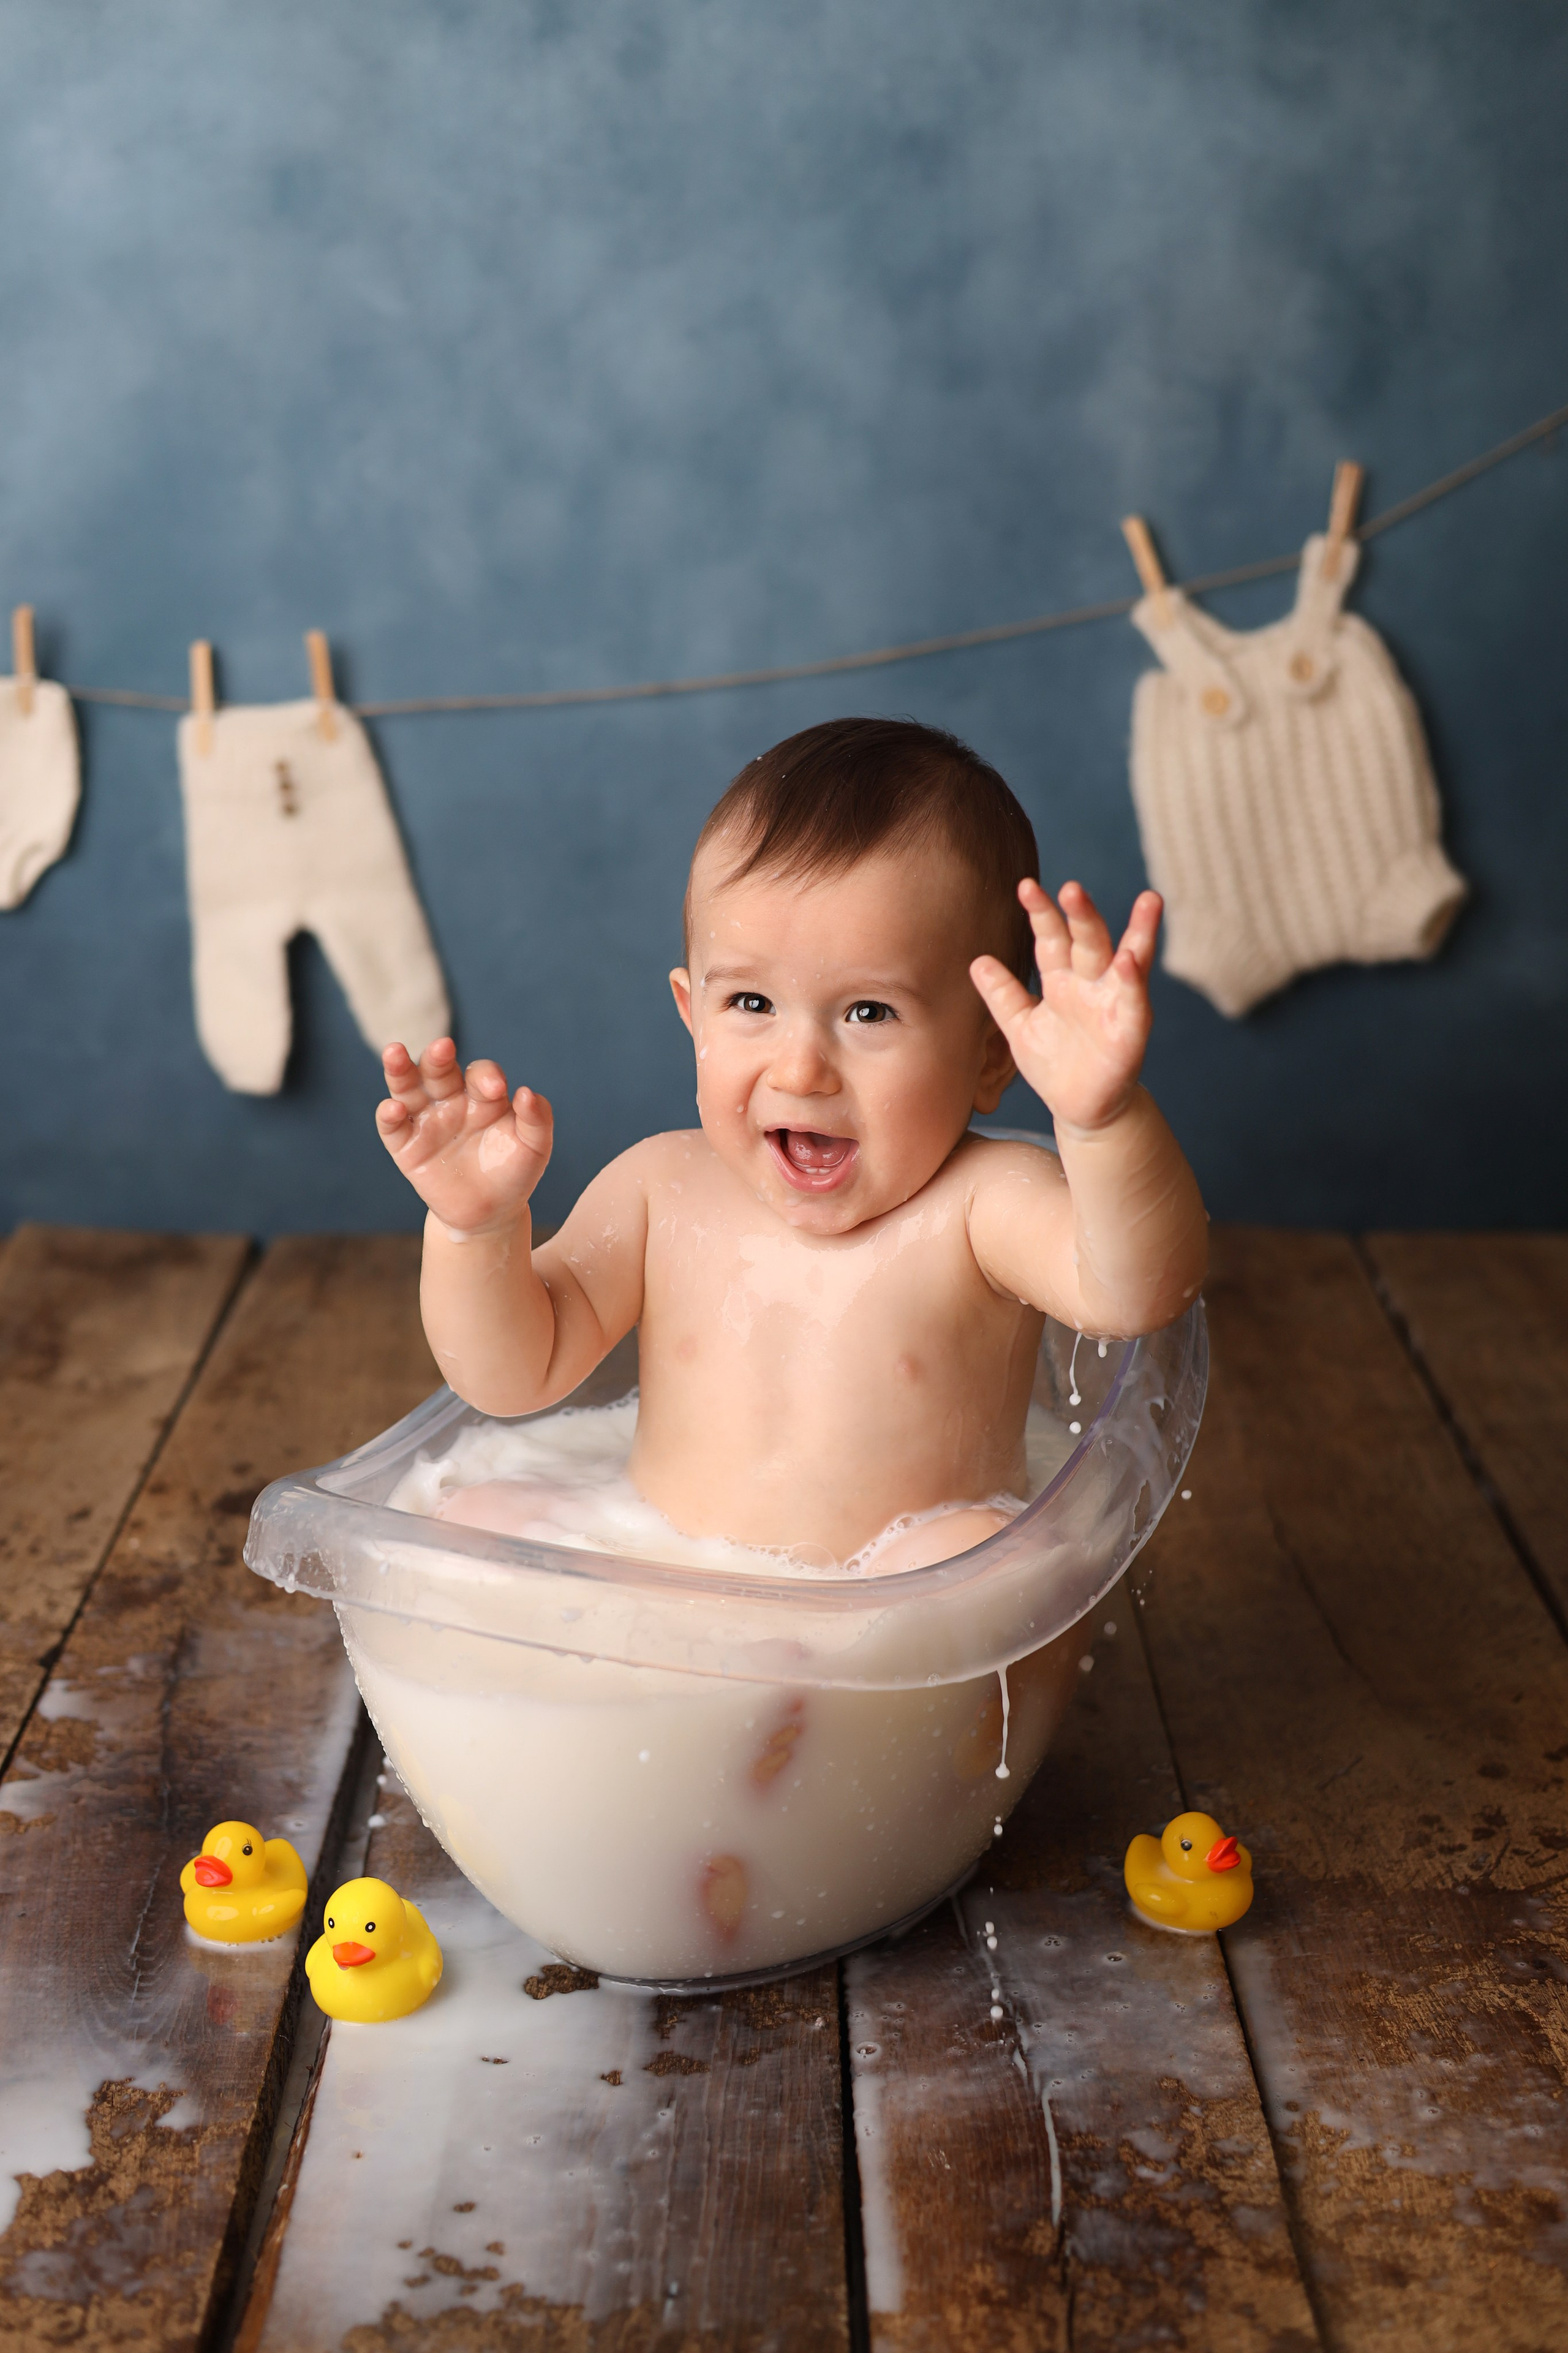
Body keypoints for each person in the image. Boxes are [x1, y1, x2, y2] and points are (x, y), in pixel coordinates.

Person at [375, 717, 1207, 1573]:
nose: (802, 1068)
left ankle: (810, 1684)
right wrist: (476, 1229)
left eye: (869, 1012)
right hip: (657, 1566)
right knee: (469, 1517)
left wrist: (1103, 1120)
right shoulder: (660, 1189)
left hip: (876, 1630)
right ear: (690, 1012)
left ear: (991, 1052)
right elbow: (514, 1374)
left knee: (980, 1556)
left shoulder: (983, 1205)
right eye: (751, 1004)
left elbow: (1137, 1290)